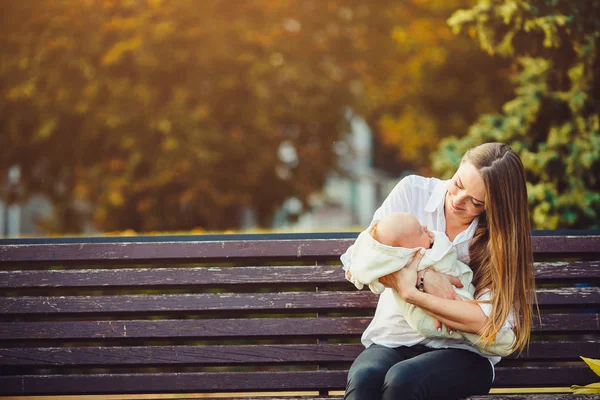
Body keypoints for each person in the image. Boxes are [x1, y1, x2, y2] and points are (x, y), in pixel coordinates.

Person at [341, 142, 536, 400]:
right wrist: (424, 278)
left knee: (403, 381)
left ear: (494, 206)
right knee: (365, 379)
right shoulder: (413, 193)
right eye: (457, 184)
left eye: (475, 202)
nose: (457, 201)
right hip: (393, 338)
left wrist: (415, 295)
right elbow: (360, 259)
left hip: (464, 352)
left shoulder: (500, 237)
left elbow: (490, 321)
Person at [348, 212, 515, 357]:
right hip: (421, 320)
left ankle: (490, 339)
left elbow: (368, 272)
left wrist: (419, 279)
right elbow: (357, 263)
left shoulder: (395, 261)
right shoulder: (421, 254)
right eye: (421, 231)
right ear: (407, 249)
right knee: (463, 327)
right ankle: (495, 342)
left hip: (451, 332)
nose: (426, 228)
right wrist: (422, 279)